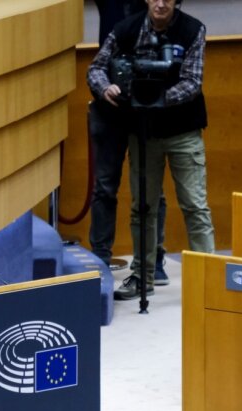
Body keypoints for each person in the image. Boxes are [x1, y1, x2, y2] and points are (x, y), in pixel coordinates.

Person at [88, 0, 215, 298]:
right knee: (142, 208)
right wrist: (105, 87)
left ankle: (207, 281)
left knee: (195, 206)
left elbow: (192, 82)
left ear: (176, 1)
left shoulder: (193, 29)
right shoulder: (126, 29)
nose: (160, 4)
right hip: (144, 133)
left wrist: (156, 98)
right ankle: (142, 278)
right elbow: (96, 68)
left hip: (183, 131)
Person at [88, 0, 170, 297]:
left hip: (145, 103)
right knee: (104, 186)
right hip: (109, 102)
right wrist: (102, 87)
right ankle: (100, 259)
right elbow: (96, 67)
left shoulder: (158, 4)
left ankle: (154, 259)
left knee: (152, 188)